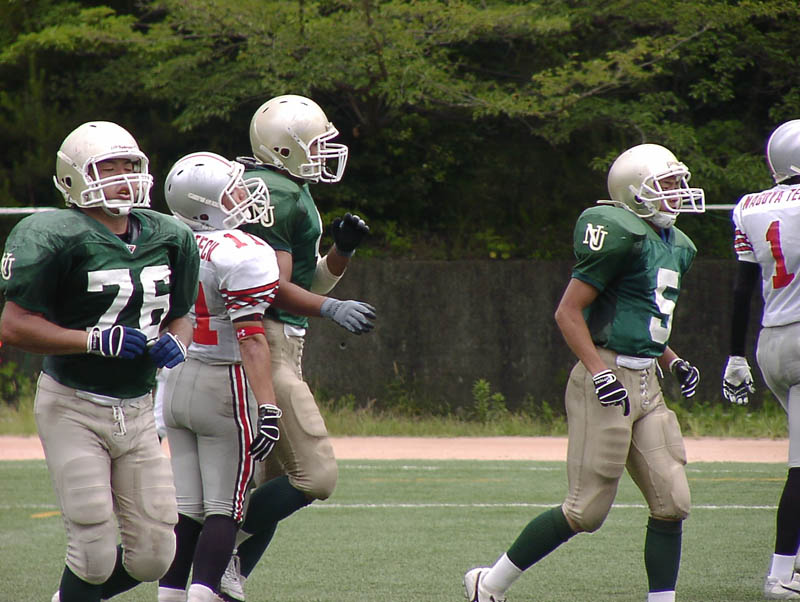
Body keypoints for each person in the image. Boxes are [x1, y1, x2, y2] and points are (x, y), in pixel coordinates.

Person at [464, 143, 705, 602]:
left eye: (677, 184)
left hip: (648, 384)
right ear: (634, 192)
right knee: (585, 511)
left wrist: (672, 360)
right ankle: (488, 584)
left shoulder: (677, 245)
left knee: (673, 502)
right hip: (607, 378)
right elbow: (568, 313)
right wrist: (598, 372)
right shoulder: (619, 234)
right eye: (666, 184)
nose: (676, 193)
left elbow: (643, 320)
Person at [0, 121, 199, 602]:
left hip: (138, 407)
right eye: (108, 167)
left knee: (155, 555)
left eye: (130, 165)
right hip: (73, 404)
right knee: (93, 552)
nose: (124, 177)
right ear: (74, 176)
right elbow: (14, 325)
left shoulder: (170, 234)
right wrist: (92, 340)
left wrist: (178, 341)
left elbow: (182, 314)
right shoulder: (50, 234)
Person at [216, 94, 375, 602]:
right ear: (283, 149)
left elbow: (306, 282)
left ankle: (222, 581)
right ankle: (214, 553)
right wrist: (331, 309)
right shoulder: (278, 192)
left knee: (272, 485)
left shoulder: (288, 188)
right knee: (316, 476)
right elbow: (273, 290)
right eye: (314, 143)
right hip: (266, 342)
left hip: (277, 341)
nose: (325, 152)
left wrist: (341, 252)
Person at [155, 152, 283, 602]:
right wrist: (269, 407)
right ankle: (205, 593)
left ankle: (170, 595)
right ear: (206, 205)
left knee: (187, 510)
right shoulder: (243, 252)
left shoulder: (166, 240)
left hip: (176, 379)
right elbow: (251, 339)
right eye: (231, 190)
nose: (243, 195)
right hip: (221, 382)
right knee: (225, 508)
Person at [722, 119, 800, 600]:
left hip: (770, 343)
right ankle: (780, 573)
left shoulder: (749, 206)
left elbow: (740, 289)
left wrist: (734, 355)